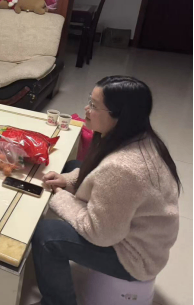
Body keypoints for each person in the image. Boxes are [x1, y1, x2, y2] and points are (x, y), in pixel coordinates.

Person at [32, 76, 181, 305]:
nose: (86, 109)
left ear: (119, 116)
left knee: (46, 235)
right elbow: (96, 174)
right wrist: (66, 180)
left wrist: (61, 198)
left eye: (94, 106)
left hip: (135, 256)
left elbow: (100, 234)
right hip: (136, 229)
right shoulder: (137, 136)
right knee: (73, 167)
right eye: (89, 101)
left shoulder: (123, 168)